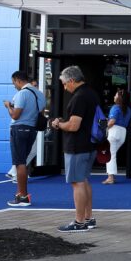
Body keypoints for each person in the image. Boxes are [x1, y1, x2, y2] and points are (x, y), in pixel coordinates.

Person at [49, 65, 101, 232]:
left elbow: (73, 126)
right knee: (84, 180)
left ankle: (79, 222)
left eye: (64, 84)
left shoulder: (79, 97)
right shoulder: (91, 93)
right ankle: (88, 218)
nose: (64, 87)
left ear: (71, 80)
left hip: (78, 146)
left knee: (77, 182)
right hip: (91, 144)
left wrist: (58, 124)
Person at [4, 70, 45, 207]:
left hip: (19, 129)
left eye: (14, 82)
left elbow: (15, 116)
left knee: (19, 162)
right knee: (23, 162)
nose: (14, 85)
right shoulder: (39, 94)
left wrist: (8, 106)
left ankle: (22, 196)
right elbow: (39, 112)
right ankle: (22, 194)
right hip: (32, 129)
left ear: (18, 80)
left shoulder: (22, 94)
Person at [103, 89, 131, 184]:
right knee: (112, 154)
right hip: (123, 132)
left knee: (110, 155)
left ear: (119, 98)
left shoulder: (115, 107)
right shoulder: (128, 109)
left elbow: (112, 121)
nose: (114, 97)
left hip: (114, 131)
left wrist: (104, 127)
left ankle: (110, 177)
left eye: (115, 95)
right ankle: (111, 176)